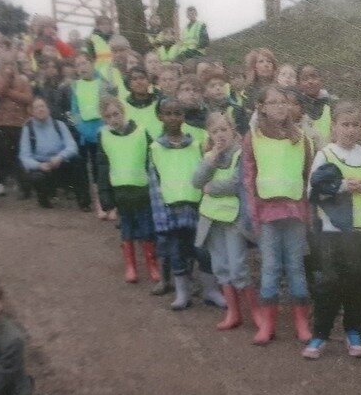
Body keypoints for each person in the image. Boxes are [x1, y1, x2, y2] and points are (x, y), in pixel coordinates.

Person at [301, 103, 361, 360]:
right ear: (334, 127)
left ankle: (354, 332)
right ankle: (320, 335)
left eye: (355, 125)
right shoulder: (325, 154)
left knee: (359, 284)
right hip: (332, 232)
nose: (350, 130)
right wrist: (342, 186)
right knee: (328, 285)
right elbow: (311, 192)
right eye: (345, 124)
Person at [243, 85, 313, 345]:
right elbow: (248, 178)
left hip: (294, 213)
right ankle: (268, 324)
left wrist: (308, 213)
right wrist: (253, 214)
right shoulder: (253, 137)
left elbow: (308, 177)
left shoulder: (302, 138)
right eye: (273, 102)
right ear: (261, 108)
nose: (280, 107)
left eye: (283, 102)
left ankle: (302, 323)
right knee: (270, 267)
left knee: (296, 267)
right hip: (267, 214)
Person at [192, 112, 259, 328]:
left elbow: (237, 183)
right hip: (211, 219)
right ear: (209, 134)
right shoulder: (209, 155)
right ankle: (233, 313)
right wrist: (211, 159)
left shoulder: (241, 153)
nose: (220, 135)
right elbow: (196, 181)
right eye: (215, 131)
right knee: (220, 266)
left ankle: (256, 314)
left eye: (224, 129)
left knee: (238, 267)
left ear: (232, 130)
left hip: (234, 220)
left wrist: (211, 188)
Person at [97, 97, 161, 284]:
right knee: (126, 229)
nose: (113, 119)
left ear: (123, 112)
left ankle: (152, 265)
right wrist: (105, 197)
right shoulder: (104, 136)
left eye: (116, 114)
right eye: (108, 116)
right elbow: (102, 167)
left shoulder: (141, 132)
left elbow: (152, 160)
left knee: (147, 228)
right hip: (121, 193)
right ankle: (130, 266)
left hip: (142, 191)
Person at [148, 98, 205, 310]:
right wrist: (160, 214)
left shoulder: (196, 146)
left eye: (177, 113)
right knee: (175, 249)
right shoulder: (155, 148)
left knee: (194, 247)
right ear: (161, 117)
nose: (173, 118)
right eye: (168, 114)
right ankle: (182, 293)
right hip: (170, 209)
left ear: (184, 117)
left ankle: (192, 282)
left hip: (193, 207)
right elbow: (154, 184)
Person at [19, 97, 91, 210]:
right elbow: (24, 156)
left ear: (48, 109)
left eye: (42, 106)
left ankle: (84, 202)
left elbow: (72, 146)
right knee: (37, 177)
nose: (40, 109)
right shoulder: (28, 128)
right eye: (36, 107)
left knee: (78, 160)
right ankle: (43, 199)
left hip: (59, 163)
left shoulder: (59, 125)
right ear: (32, 112)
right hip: (41, 166)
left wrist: (60, 157)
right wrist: (39, 165)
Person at [70, 52, 113, 220]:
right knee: (94, 170)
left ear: (92, 63)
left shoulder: (103, 82)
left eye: (84, 63)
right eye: (78, 65)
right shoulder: (75, 86)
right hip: (86, 133)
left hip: (104, 130)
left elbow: (109, 104)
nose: (82, 68)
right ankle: (100, 205)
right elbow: (74, 111)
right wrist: (82, 129)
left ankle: (112, 205)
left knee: (108, 167)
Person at [0, 52, 33, 198]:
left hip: (20, 122)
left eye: (11, 63)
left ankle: (22, 184)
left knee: (19, 153)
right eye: (6, 63)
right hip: (3, 122)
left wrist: (9, 93)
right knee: (3, 153)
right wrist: (7, 78)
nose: (9, 67)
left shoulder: (23, 79)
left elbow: (28, 98)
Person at [296, 64, 335, 147]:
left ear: (321, 80)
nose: (310, 81)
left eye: (314, 77)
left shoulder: (332, 104)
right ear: (299, 84)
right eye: (305, 79)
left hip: (328, 152)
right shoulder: (297, 106)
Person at [124, 67, 164, 139]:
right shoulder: (123, 106)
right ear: (129, 84)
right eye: (134, 79)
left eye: (142, 78)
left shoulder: (160, 102)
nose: (139, 82)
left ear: (149, 82)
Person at [242, 48, 277, 113]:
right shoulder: (247, 91)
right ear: (254, 67)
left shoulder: (280, 88)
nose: (266, 65)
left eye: (269, 61)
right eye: (261, 61)